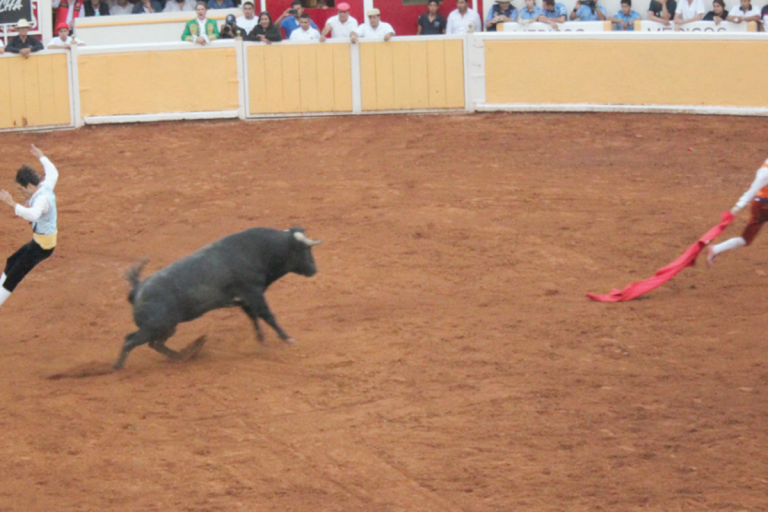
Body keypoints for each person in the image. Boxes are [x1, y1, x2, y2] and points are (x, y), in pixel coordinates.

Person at [0, 145, 60, 311]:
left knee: (14, 277)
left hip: (43, 247)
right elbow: (53, 171)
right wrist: (42, 156)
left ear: (28, 186)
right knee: (11, 262)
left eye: (21, 189)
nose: (21, 193)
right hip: (40, 242)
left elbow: (33, 215)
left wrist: (13, 204)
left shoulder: (41, 200)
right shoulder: (45, 185)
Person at [707, 156, 768, 267]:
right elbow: (752, 190)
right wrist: (738, 207)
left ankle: (715, 249)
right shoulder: (765, 173)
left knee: (745, 239)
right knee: (745, 239)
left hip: (761, 205)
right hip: (763, 207)